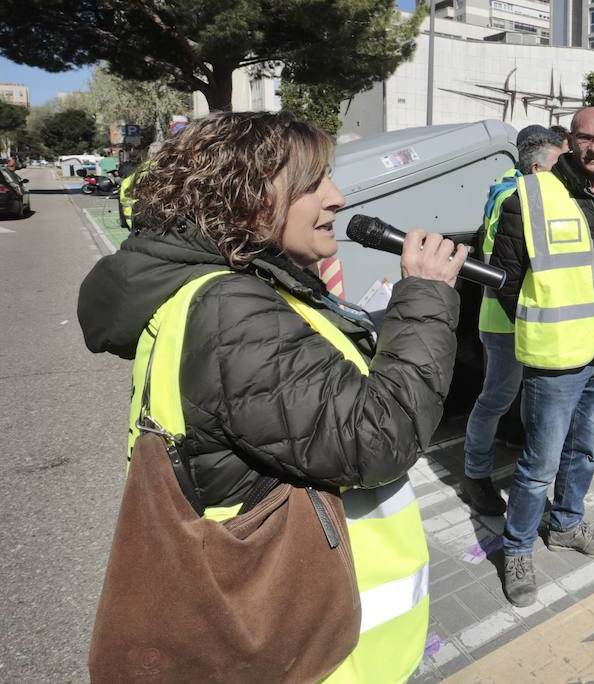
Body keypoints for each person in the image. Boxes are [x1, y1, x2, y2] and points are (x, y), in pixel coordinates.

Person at [78, 112, 460, 680]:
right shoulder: (228, 309)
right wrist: (425, 297)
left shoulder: (243, 288)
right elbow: (378, 437)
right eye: (312, 184)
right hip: (319, 654)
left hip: (332, 633)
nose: (336, 197)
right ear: (247, 195)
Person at [488, 106, 594, 606]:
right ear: (569, 141)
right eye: (586, 138)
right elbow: (506, 281)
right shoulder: (530, 195)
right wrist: (543, 327)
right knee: (537, 464)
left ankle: (568, 525)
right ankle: (518, 549)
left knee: (586, 450)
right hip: (555, 358)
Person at [459, 129, 564, 516]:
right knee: (495, 399)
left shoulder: (512, 190)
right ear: (537, 167)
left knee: (518, 399)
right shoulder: (515, 197)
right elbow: (506, 268)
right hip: (507, 319)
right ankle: (475, 475)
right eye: (557, 165)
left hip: (524, 316)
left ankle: (517, 459)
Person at [117, 140, 163, 229]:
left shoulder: (134, 175)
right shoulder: (162, 172)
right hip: (155, 224)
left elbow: (124, 198)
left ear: (149, 154)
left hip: (134, 222)